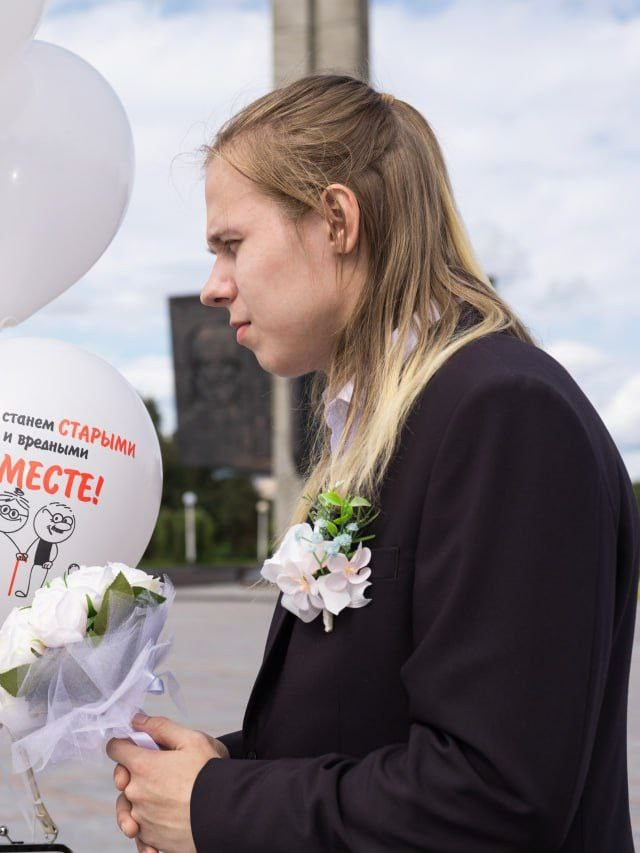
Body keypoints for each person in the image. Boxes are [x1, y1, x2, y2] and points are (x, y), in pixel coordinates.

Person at [107, 74, 639, 852]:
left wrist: (219, 805)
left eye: (231, 244)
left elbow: (494, 800)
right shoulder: (394, 421)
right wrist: (218, 766)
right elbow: (370, 724)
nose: (214, 288)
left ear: (335, 219)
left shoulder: (504, 413)